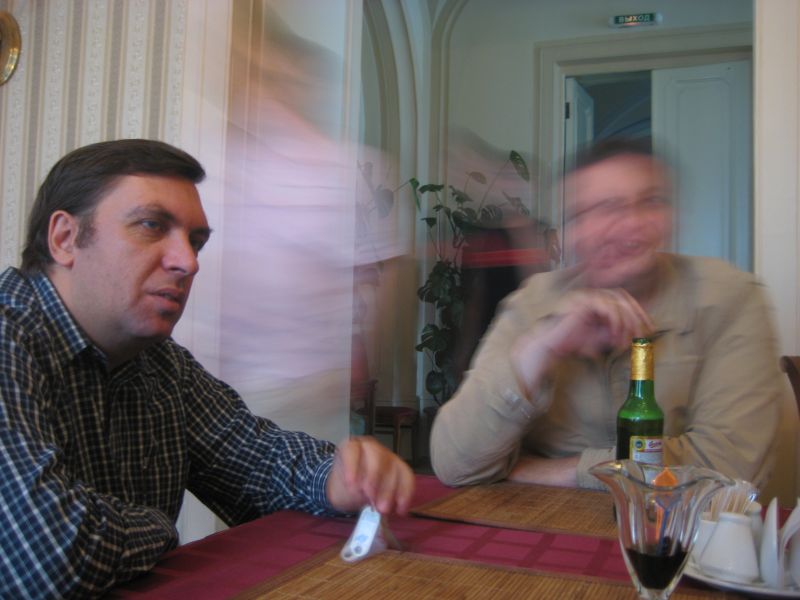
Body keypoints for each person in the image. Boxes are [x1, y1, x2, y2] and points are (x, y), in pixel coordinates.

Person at [0, 139, 415, 598]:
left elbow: (256, 462)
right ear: (65, 238)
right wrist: (162, 529)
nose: (188, 262)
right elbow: (49, 557)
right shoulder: (7, 340)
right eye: (151, 226)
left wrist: (338, 478)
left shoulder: (160, 363)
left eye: (195, 241)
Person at [430, 138, 784, 491]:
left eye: (650, 201)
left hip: (680, 527)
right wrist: (542, 348)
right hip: (541, 520)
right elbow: (454, 465)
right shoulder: (531, 303)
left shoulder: (730, 298)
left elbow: (731, 467)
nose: (630, 223)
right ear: (572, 229)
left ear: (669, 219)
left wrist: (552, 472)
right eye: (605, 208)